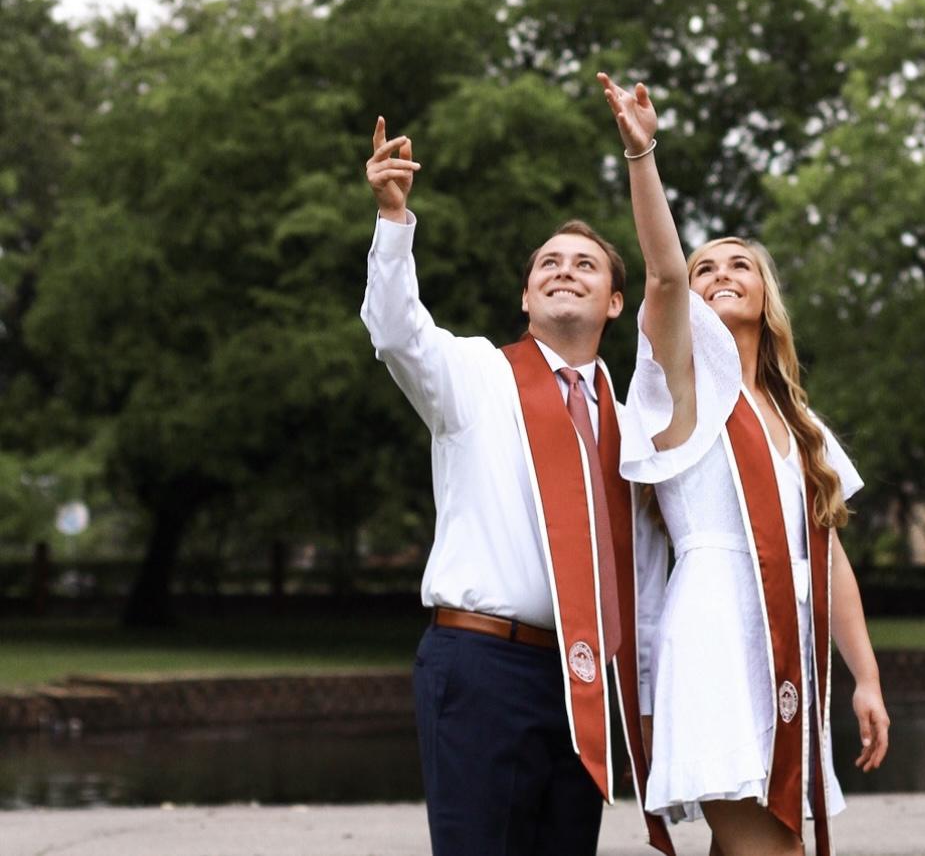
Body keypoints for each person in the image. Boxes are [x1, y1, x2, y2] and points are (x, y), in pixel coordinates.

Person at [360, 116, 674, 856]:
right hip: (481, 666)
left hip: (581, 675)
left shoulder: (635, 431)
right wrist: (394, 219)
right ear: (526, 299)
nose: (565, 270)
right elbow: (397, 331)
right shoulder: (473, 376)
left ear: (615, 303)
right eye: (548, 264)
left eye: (586, 265)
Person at [597, 74, 890, 856]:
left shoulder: (800, 420)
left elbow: (827, 556)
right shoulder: (688, 386)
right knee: (774, 850)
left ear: (768, 294)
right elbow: (659, 270)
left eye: (740, 266)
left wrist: (864, 675)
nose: (721, 274)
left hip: (789, 638)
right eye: (707, 269)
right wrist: (642, 153)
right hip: (718, 630)